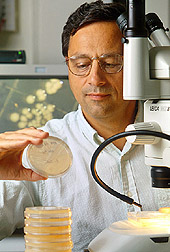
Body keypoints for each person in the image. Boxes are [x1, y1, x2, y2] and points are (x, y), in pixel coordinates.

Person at [0, 1, 170, 251]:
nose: (95, 78)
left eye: (111, 63)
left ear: (139, 65)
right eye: (81, 65)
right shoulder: (41, 150)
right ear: (68, 66)